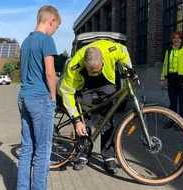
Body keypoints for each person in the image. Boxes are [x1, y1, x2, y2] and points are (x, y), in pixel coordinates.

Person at [59, 40, 132, 174]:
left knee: (108, 118)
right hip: (85, 85)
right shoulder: (74, 66)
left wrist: (129, 70)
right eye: (91, 71)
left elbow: (124, 52)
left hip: (106, 82)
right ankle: (83, 153)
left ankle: (108, 156)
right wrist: (76, 120)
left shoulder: (111, 50)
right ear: (85, 64)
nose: (94, 73)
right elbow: (66, 92)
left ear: (103, 59)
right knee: (84, 118)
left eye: (96, 70)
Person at [17, 5, 61, 190]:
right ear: (51, 21)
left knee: (27, 148)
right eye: (56, 27)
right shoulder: (46, 40)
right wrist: (53, 96)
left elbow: (22, 71)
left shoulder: (26, 41)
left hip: (23, 97)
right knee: (43, 150)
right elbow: (50, 73)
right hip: (40, 98)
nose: (55, 32)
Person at [160, 31, 183, 123]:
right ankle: (172, 121)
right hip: (172, 78)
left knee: (182, 101)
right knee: (172, 101)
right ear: (172, 40)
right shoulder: (168, 51)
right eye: (174, 38)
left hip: (182, 79)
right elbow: (165, 65)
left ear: (181, 40)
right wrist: (162, 79)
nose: (176, 40)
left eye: (178, 38)